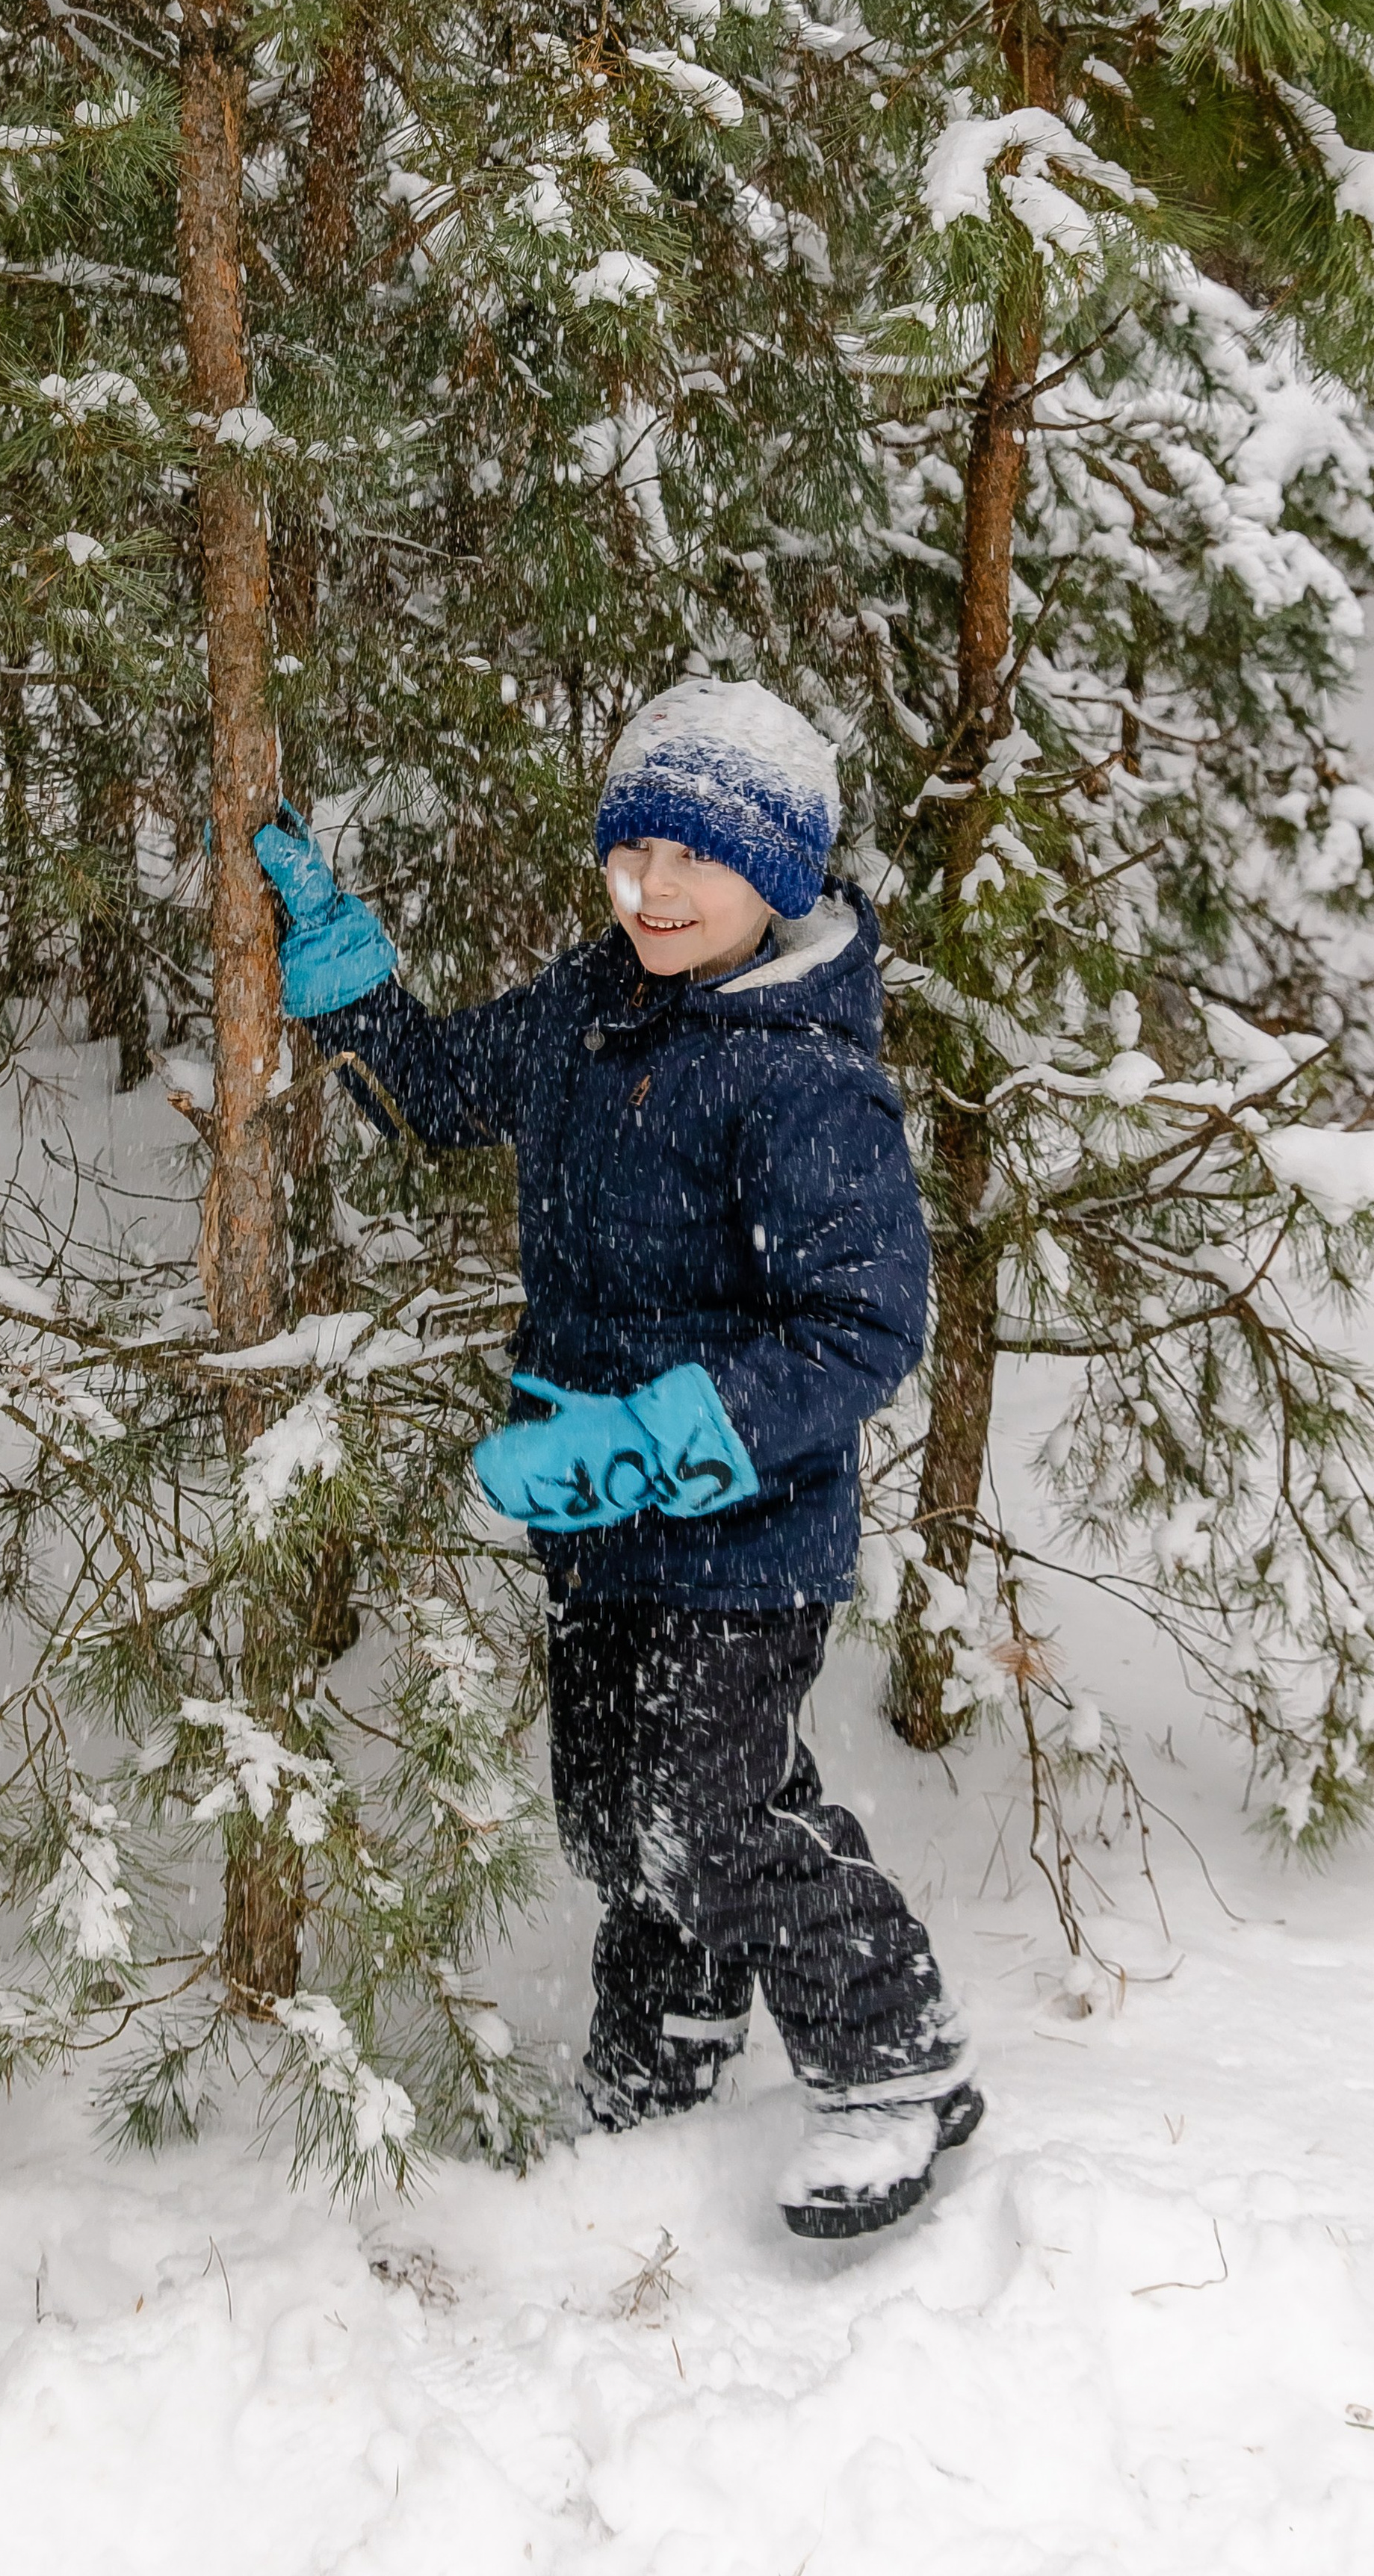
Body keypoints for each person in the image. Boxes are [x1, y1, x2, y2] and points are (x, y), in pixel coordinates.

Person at [253, 677, 981, 2238]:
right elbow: (444, 1093)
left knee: (707, 1815)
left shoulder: (799, 1072)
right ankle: (674, 2030)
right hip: (593, 1522)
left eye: (691, 861)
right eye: (627, 851)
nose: (649, 890)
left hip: (738, 1529)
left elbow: (862, 1324)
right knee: (606, 1812)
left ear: (775, 876)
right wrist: (341, 971)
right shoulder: (588, 1006)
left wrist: (674, 1429)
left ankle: (888, 2057)